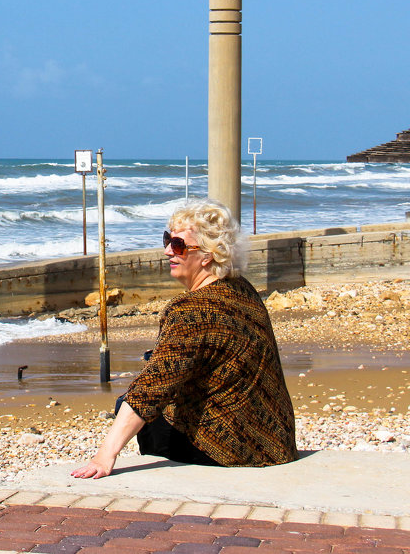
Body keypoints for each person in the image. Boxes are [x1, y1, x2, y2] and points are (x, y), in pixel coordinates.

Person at [71, 199, 297, 478]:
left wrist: (104, 456)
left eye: (178, 246)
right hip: (276, 441)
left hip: (234, 450)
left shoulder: (190, 311)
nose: (167, 251)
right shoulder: (242, 289)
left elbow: (150, 389)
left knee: (131, 407)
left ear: (208, 256)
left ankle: (171, 472)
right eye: (168, 240)